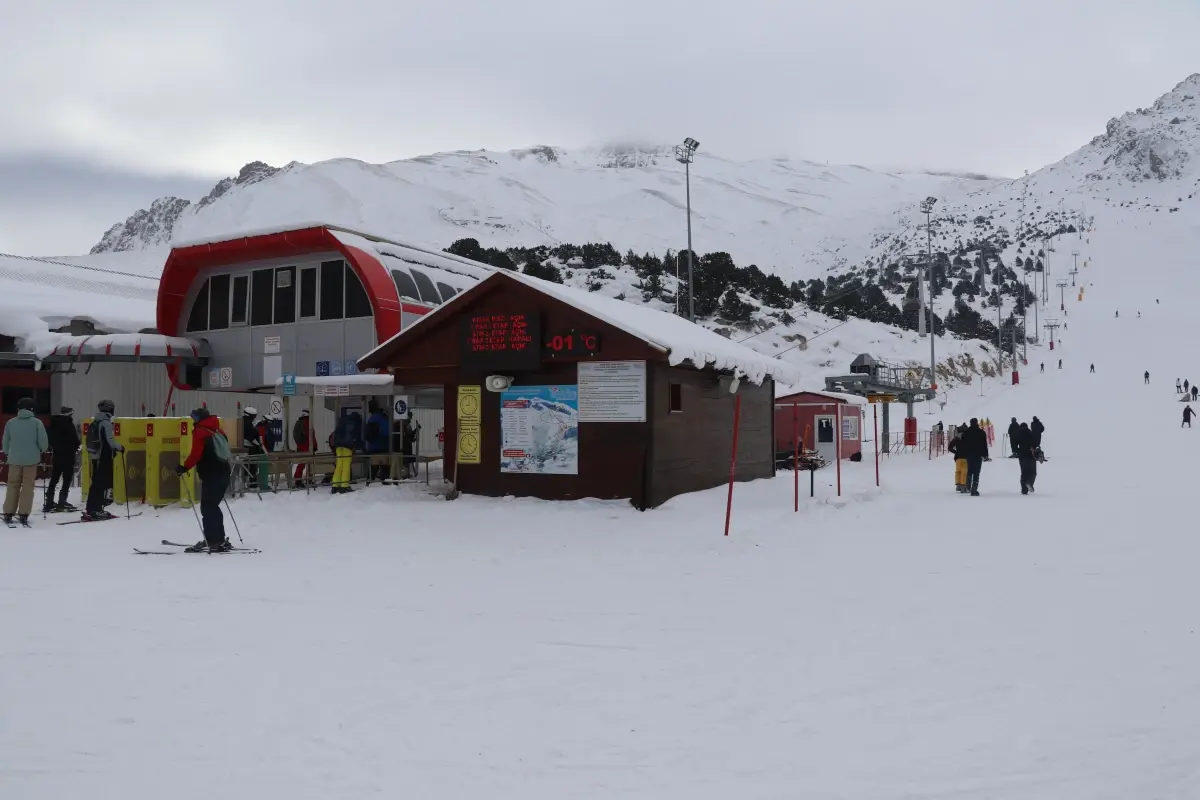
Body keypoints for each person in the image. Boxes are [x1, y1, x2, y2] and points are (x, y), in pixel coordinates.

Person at [176, 408, 232, 552]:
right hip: (224, 472)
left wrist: (184, 467)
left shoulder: (200, 432)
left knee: (207, 507)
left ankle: (213, 541)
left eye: (194, 418)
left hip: (211, 474)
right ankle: (218, 539)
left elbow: (196, 454)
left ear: (199, 419)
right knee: (213, 506)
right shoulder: (218, 431)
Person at [1, 397, 49, 526]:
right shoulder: (37, 423)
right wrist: (41, 450)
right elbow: (43, 444)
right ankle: (23, 513)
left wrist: (7, 453)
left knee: (12, 485)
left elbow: (5, 442)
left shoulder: (10, 423)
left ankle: (8, 512)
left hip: (14, 459)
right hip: (31, 460)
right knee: (28, 487)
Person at [84, 399, 123, 521]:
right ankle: (96, 509)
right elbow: (109, 441)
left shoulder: (96, 421)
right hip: (103, 456)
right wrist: (120, 447)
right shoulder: (105, 422)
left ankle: (91, 508)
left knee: (95, 483)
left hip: (95, 456)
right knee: (100, 484)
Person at [45, 406, 80, 512]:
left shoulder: (53, 424)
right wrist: (76, 446)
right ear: (69, 414)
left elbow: (49, 438)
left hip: (57, 455)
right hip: (68, 456)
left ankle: (49, 502)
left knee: (54, 479)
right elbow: (74, 440)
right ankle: (62, 501)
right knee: (67, 479)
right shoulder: (69, 424)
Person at [331, 408, 361, 494]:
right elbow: (355, 436)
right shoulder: (355, 423)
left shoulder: (343, 421)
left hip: (338, 446)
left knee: (339, 465)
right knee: (346, 465)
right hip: (347, 446)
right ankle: (344, 486)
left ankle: (335, 485)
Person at [958, 418, 989, 496]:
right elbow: (984, 445)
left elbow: (963, 444)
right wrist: (985, 455)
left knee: (969, 471)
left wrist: (963, 453)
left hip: (969, 455)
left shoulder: (966, 432)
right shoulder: (981, 432)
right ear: (977, 423)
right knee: (976, 473)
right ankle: (974, 489)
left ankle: (968, 486)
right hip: (978, 455)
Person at [364, 403, 391, 481]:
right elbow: (386, 432)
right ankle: (385, 481)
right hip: (382, 446)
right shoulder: (383, 419)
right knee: (384, 465)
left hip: (371, 446)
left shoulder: (370, 419)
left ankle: (369, 481)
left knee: (373, 466)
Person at [241, 406, 265, 490]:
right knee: (252, 465)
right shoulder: (247, 423)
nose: (254, 418)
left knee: (245, 466)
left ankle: (245, 482)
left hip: (243, 447)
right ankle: (252, 483)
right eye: (254, 416)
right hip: (250, 448)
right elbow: (251, 435)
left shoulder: (241, 421)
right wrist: (257, 442)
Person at [1012, 421, 1038, 495]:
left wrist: (1018, 451)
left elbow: (1014, 444)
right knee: (1033, 472)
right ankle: (1029, 483)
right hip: (1031, 456)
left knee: (1024, 472)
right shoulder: (1030, 433)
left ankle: (1024, 489)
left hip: (1022, 456)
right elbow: (1036, 443)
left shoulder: (1018, 434)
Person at [292, 409, 315, 486]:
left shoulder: (298, 422)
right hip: (307, 447)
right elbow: (311, 436)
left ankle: (297, 479)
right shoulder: (307, 422)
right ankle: (309, 479)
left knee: (301, 464)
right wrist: (314, 446)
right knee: (309, 464)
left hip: (301, 446)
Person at [947, 423, 968, 493]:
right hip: (965, 457)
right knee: (964, 472)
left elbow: (949, 447)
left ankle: (958, 485)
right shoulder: (967, 438)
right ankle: (963, 486)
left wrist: (956, 452)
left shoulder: (956, 438)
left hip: (958, 458)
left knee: (958, 471)